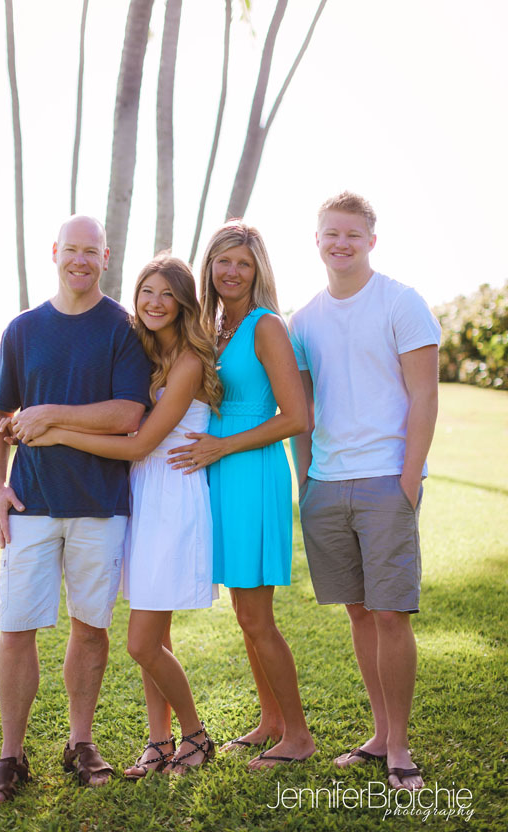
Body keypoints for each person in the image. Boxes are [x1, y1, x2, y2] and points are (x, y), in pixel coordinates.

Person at [26, 254, 221, 776]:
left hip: (172, 499)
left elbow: (139, 444)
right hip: (139, 497)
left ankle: (196, 735)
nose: (155, 303)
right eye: (147, 293)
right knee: (156, 639)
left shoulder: (187, 364)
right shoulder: (146, 352)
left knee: (141, 643)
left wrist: (57, 431)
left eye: (167, 296)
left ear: (183, 304)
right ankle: (158, 744)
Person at [0, 215, 151, 804]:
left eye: (91, 251)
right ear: (55, 253)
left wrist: (49, 413)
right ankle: (10, 755)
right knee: (16, 627)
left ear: (106, 258)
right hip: (30, 502)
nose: (80, 260)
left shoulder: (124, 329)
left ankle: (81, 743)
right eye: (71, 250)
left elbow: (128, 414)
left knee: (91, 627)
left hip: (100, 504)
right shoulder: (22, 330)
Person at [289, 191, 441, 791]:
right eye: (331, 234)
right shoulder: (303, 320)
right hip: (326, 484)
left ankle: (400, 747)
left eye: (353, 234)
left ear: (371, 240)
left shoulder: (402, 303)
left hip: (386, 480)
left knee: (390, 613)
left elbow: (426, 396)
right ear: (318, 239)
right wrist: (306, 479)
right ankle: (378, 735)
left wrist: (408, 477)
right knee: (357, 612)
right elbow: (302, 409)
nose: (341, 243)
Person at [168, 221, 316, 770]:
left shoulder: (266, 326)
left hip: (251, 471)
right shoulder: (214, 327)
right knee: (243, 611)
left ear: (258, 271)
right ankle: (271, 721)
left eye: (244, 264)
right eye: (223, 261)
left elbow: (296, 416)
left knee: (258, 617)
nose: (232, 272)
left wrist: (221, 447)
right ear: (209, 267)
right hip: (221, 472)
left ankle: (298, 735)